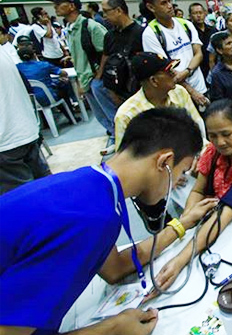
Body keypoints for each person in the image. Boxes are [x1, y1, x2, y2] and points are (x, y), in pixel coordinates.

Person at [0, 107, 206, 334]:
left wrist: (181, 224)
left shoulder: (88, 186)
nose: (179, 180)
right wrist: (112, 329)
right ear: (164, 162)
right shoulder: (92, 218)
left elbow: (114, 268)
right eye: (182, 171)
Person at [145, 99, 232, 297]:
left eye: (226, 134)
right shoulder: (213, 151)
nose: (220, 142)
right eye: (213, 136)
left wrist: (181, 260)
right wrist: (187, 220)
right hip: (218, 225)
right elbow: (198, 190)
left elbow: (229, 209)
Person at [46, 0, 116, 147]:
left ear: (71, 6)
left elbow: (108, 51)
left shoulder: (90, 26)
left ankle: (121, 140)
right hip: (85, 79)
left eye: (59, 3)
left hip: (97, 79)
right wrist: (79, 81)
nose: (55, 7)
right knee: (100, 114)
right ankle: (113, 135)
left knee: (111, 113)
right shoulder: (70, 29)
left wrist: (99, 75)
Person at [114, 52, 205, 148]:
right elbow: (124, 158)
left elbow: (197, 126)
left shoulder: (179, 92)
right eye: (168, 71)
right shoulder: (126, 115)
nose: (174, 73)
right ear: (154, 80)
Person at [141, 0, 209, 109]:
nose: (170, 6)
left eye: (169, 1)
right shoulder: (151, 34)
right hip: (177, 92)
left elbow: (198, 54)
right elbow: (165, 68)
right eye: (163, 3)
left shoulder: (186, 25)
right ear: (151, 7)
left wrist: (186, 71)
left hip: (199, 85)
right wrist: (191, 92)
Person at [0, 48, 50, 194]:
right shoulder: (3, 51)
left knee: (23, 203)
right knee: (45, 190)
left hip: (6, 143)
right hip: (25, 129)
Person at [100, 0, 144, 102]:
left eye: (106, 11)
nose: (104, 16)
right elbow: (107, 62)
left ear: (119, 10)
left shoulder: (141, 33)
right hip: (119, 93)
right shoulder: (109, 36)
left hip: (140, 92)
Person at [16, 45, 77, 121]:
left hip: (31, 101)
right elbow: (63, 73)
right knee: (63, 87)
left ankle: (46, 123)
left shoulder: (17, 68)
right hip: (49, 97)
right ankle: (71, 116)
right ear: (34, 55)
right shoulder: (43, 65)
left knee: (38, 92)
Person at [189, 2, 216, 79]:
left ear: (205, 13)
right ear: (190, 16)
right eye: (195, 13)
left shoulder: (213, 30)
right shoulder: (189, 32)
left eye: (200, 12)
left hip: (212, 66)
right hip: (197, 68)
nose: (198, 15)